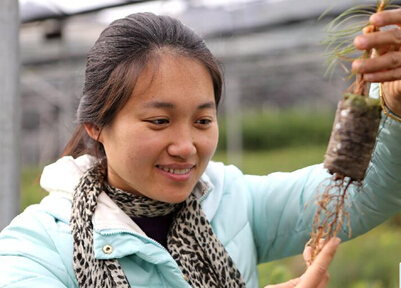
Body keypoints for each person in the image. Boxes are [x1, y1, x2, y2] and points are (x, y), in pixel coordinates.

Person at [0, 9, 400, 288]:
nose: (187, 146)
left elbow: (364, 193)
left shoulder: (229, 199)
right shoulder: (36, 248)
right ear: (96, 125)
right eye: (159, 121)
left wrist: (394, 108)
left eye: (203, 121)